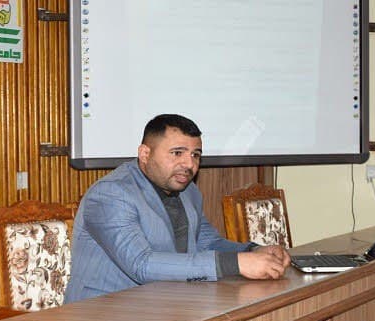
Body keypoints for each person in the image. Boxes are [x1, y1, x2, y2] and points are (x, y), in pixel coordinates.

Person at [64, 114, 291, 303]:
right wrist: (236, 263)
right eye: (177, 153)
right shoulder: (111, 194)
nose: (189, 164)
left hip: (164, 305)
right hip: (103, 316)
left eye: (195, 155)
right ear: (145, 154)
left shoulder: (188, 191)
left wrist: (252, 251)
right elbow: (142, 265)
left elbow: (206, 242)